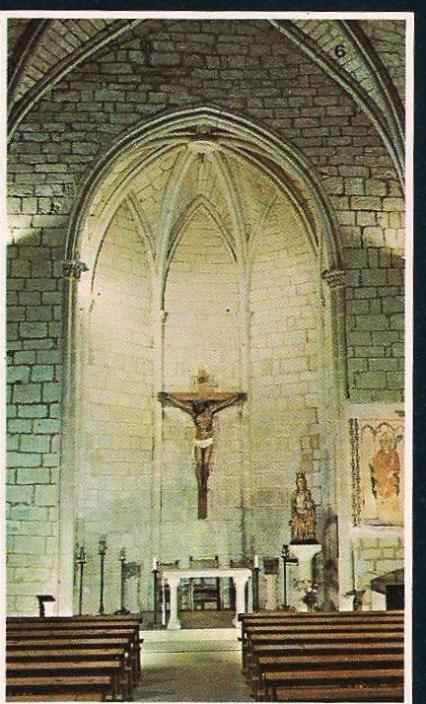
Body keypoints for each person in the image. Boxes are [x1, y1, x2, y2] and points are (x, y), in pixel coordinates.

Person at [158, 376, 246, 517]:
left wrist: (236, 397)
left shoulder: (211, 410)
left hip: (208, 440)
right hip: (198, 441)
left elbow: (225, 403)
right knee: (199, 464)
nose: (199, 410)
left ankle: (205, 484)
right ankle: (201, 486)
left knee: (206, 464)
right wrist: (168, 397)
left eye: (200, 408)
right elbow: (180, 404)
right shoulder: (193, 412)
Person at [290, 472, 317, 543]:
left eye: (302, 481)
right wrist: (296, 512)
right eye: (299, 482)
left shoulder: (307, 493)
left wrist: (309, 503)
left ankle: (309, 537)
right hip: (298, 514)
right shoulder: (295, 494)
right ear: (297, 483)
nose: (301, 483)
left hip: (306, 514)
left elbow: (310, 505)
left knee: (310, 520)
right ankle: (298, 538)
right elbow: (293, 507)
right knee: (297, 521)